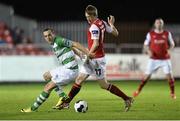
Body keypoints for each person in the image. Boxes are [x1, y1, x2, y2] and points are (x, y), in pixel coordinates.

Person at [58, 5, 133, 112]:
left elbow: (96, 43)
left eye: (88, 16)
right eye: (86, 16)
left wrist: (88, 55)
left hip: (96, 59)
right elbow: (116, 33)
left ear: (94, 15)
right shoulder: (102, 22)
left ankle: (127, 98)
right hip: (95, 58)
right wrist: (111, 25)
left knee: (103, 85)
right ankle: (66, 103)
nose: (87, 18)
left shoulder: (93, 26)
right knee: (79, 79)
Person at [21, 28, 89, 112]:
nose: (48, 37)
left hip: (69, 70)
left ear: (53, 34)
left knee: (47, 88)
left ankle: (33, 109)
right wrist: (78, 54)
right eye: (45, 36)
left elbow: (75, 44)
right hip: (65, 68)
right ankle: (62, 95)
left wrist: (87, 53)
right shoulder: (53, 43)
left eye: (49, 35)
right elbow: (70, 47)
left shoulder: (59, 40)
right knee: (46, 76)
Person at [133, 18, 176, 99]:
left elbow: (172, 44)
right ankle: (138, 91)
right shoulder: (150, 34)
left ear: (162, 24)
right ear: (155, 24)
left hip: (165, 59)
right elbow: (145, 45)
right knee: (146, 77)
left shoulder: (167, 33)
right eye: (157, 23)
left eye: (160, 23)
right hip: (153, 59)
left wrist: (170, 50)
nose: (159, 24)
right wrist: (148, 51)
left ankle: (172, 93)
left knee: (169, 77)